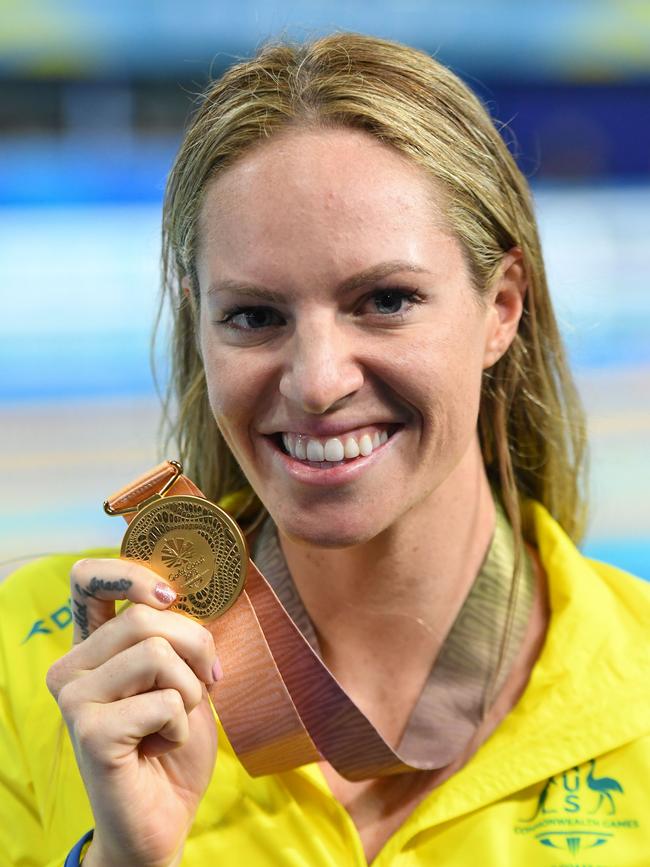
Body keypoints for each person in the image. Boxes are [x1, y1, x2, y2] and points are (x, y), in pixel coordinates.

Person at [1, 32, 649, 867]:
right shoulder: (39, 657)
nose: (315, 381)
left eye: (385, 300)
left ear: (502, 307)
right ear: (199, 326)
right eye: (255, 316)